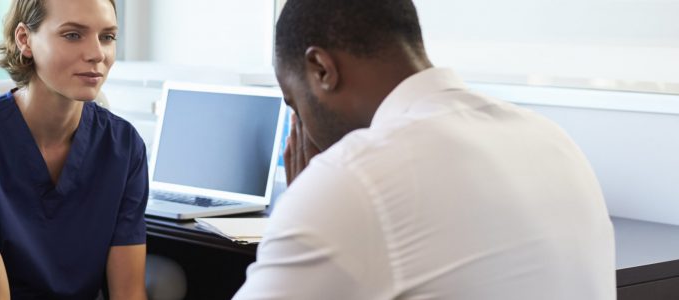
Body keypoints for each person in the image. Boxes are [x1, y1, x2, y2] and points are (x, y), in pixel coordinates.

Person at [234, 0, 616, 299]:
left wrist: (307, 199)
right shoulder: (553, 140)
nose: (299, 122)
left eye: (292, 102)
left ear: (321, 69)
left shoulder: (354, 177)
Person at [0, 0, 150, 299]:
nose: (97, 54)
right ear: (25, 40)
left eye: (107, 37)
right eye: (73, 35)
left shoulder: (124, 147)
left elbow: (128, 293)